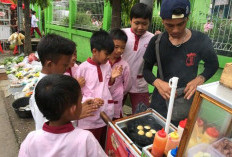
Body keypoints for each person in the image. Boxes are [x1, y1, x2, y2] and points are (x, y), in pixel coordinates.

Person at [143, 0, 219, 126]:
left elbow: (213, 64)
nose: (176, 30)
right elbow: (145, 70)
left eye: (180, 24)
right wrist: (157, 82)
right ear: (162, 21)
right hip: (160, 103)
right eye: (169, 25)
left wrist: (200, 79)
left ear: (187, 19)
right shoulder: (156, 42)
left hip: (186, 103)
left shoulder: (201, 40)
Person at [19, 74, 107, 157]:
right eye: (80, 101)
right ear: (73, 109)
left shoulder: (31, 139)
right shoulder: (85, 139)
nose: (82, 104)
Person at [30, 34, 100, 130]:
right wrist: (75, 115)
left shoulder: (57, 82)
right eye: (64, 65)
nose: (67, 67)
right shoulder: (43, 91)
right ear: (50, 64)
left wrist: (78, 107)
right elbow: (47, 127)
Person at [76, 30, 122, 148]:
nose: (109, 57)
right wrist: (91, 99)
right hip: (89, 117)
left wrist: (112, 79)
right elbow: (78, 94)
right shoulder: (82, 69)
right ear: (94, 51)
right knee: (90, 145)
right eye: (107, 54)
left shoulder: (107, 66)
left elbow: (106, 87)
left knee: (102, 144)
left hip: (105, 112)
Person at [122, 3, 154, 114]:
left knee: (142, 114)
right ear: (130, 20)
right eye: (136, 23)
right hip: (120, 81)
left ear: (149, 23)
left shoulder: (152, 39)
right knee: (113, 111)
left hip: (140, 82)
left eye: (144, 24)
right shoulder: (122, 34)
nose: (140, 27)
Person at [109, 28, 131, 120]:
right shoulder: (103, 62)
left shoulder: (124, 65)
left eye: (122, 48)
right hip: (102, 98)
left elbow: (127, 85)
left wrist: (120, 91)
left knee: (115, 119)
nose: (119, 50)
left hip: (116, 98)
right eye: (116, 47)